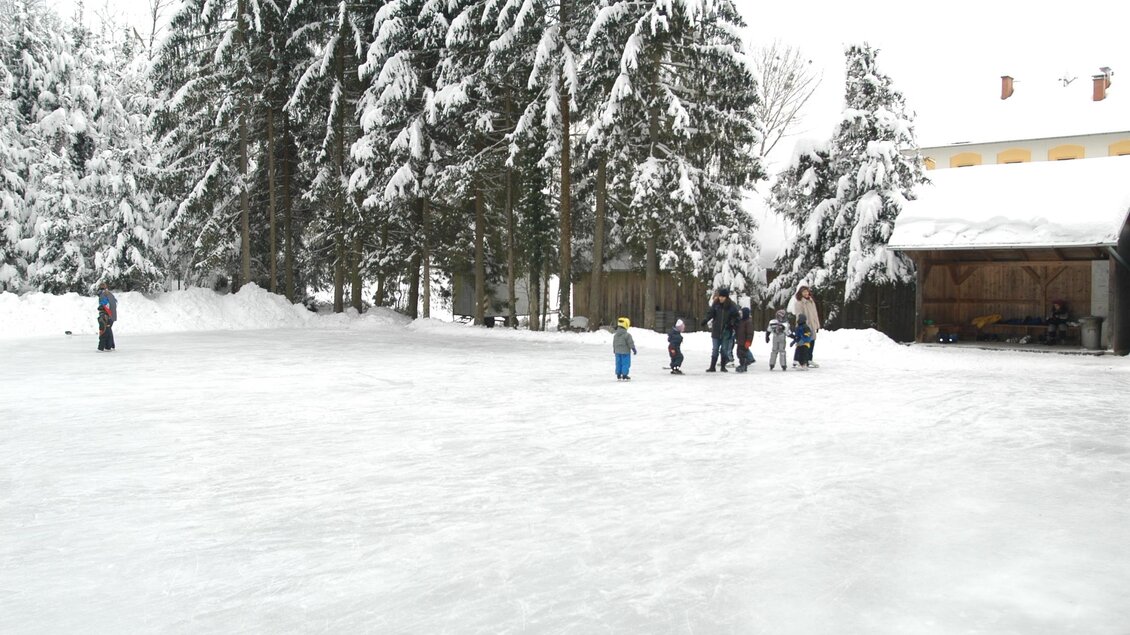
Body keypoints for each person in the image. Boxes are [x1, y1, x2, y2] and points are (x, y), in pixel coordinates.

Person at [701, 287, 740, 372]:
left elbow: (736, 317)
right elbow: (710, 313)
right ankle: (712, 367)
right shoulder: (716, 304)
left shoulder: (731, 306)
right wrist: (705, 320)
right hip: (716, 330)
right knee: (715, 349)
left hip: (726, 331)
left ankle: (723, 366)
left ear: (726, 297)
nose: (721, 298)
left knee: (724, 350)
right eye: (720, 296)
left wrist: (732, 324)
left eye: (723, 297)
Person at [793, 285, 821, 367]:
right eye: (803, 292)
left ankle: (809, 359)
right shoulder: (799, 303)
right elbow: (799, 315)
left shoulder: (811, 301)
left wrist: (817, 325)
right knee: (802, 343)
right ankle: (797, 360)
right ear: (800, 293)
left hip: (812, 325)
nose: (806, 293)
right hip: (804, 326)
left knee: (812, 342)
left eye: (807, 291)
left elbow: (815, 314)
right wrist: (801, 325)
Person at [613, 316, 637, 381]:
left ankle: (618, 374)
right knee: (625, 363)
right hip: (625, 352)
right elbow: (630, 343)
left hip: (617, 352)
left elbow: (614, 343)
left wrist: (614, 350)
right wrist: (633, 349)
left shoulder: (615, 335)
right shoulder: (627, 335)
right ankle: (624, 375)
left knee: (618, 363)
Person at [735, 307, 755, 372]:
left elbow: (750, 333)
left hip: (744, 342)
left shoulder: (748, 322)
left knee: (741, 354)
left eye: (742, 313)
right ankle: (744, 364)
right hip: (740, 341)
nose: (741, 315)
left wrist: (748, 341)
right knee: (739, 353)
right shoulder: (741, 321)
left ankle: (743, 365)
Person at [98, 283, 118, 350]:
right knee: (108, 330)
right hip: (112, 315)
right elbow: (116, 302)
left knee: (106, 330)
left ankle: (107, 346)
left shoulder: (103, 295)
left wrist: (101, 309)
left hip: (107, 315)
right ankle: (111, 346)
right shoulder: (110, 294)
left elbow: (105, 305)